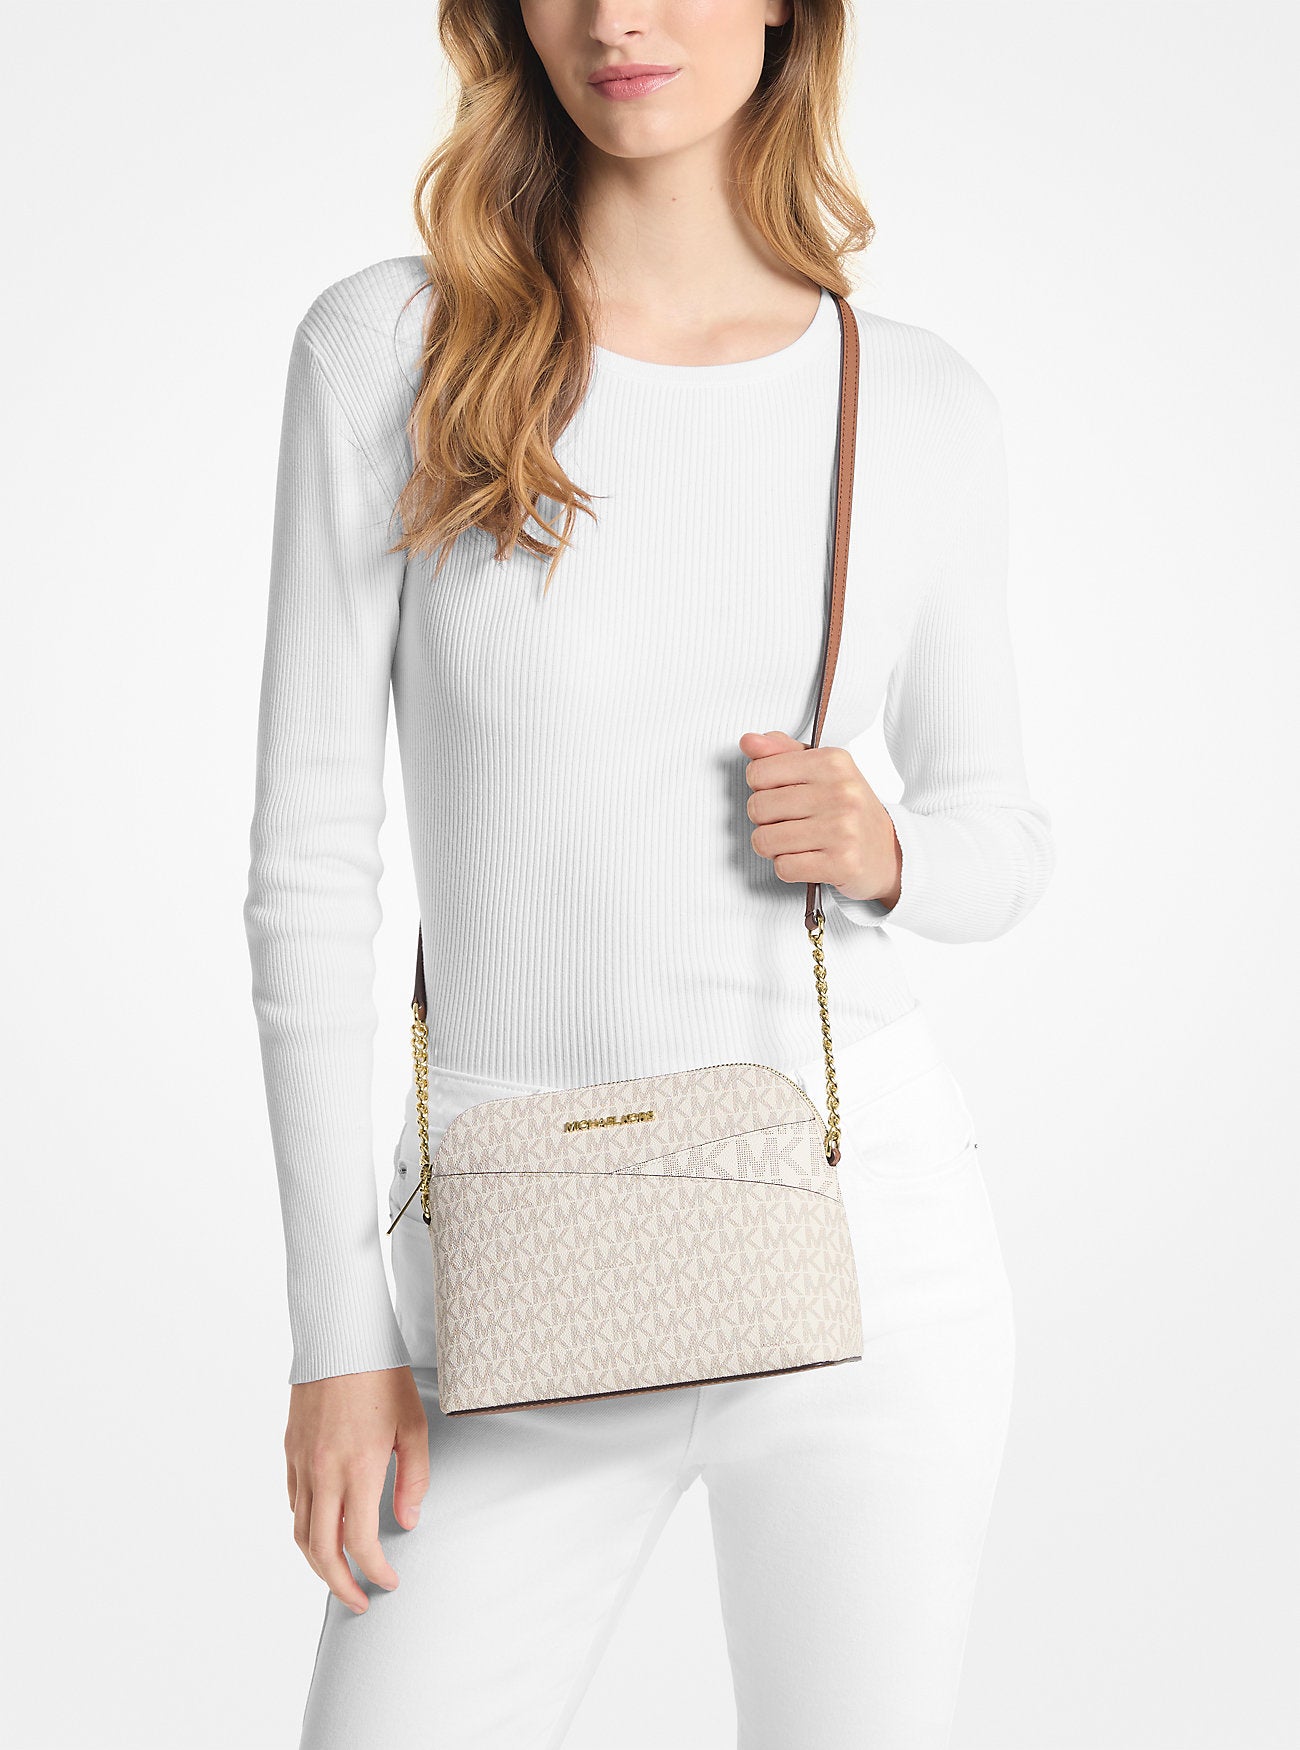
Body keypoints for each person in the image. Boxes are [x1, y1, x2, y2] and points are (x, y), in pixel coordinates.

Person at [242, 3, 1056, 1745]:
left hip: (865, 1258)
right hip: (511, 1275)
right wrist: (337, 1334)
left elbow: (1002, 836)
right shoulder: (392, 347)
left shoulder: (911, 397)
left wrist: (890, 847)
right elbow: (310, 868)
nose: (620, 16)